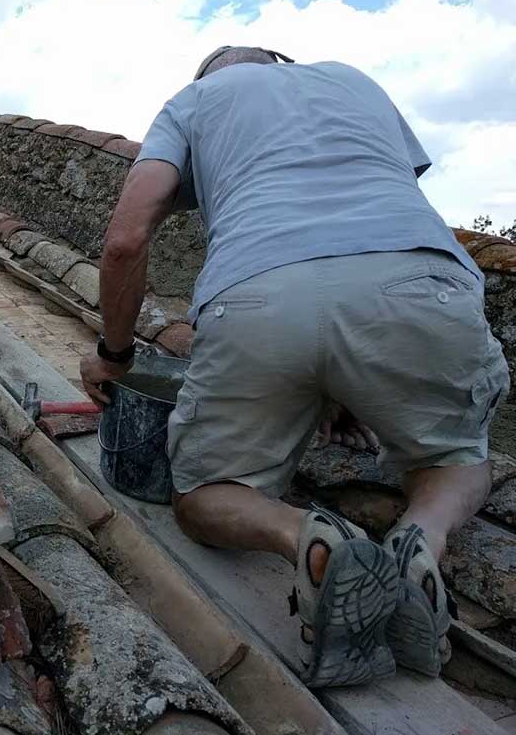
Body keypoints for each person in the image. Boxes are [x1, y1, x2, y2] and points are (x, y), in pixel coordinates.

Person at [79, 46, 509, 688]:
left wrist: (113, 357)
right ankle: (423, 535)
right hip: (424, 282)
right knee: (454, 458)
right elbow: (367, 232)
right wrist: (346, 384)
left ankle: (306, 538)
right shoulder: (353, 79)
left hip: (256, 293)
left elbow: (125, 239)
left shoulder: (192, 103)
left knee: (203, 496)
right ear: (281, 61)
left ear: (206, 78)